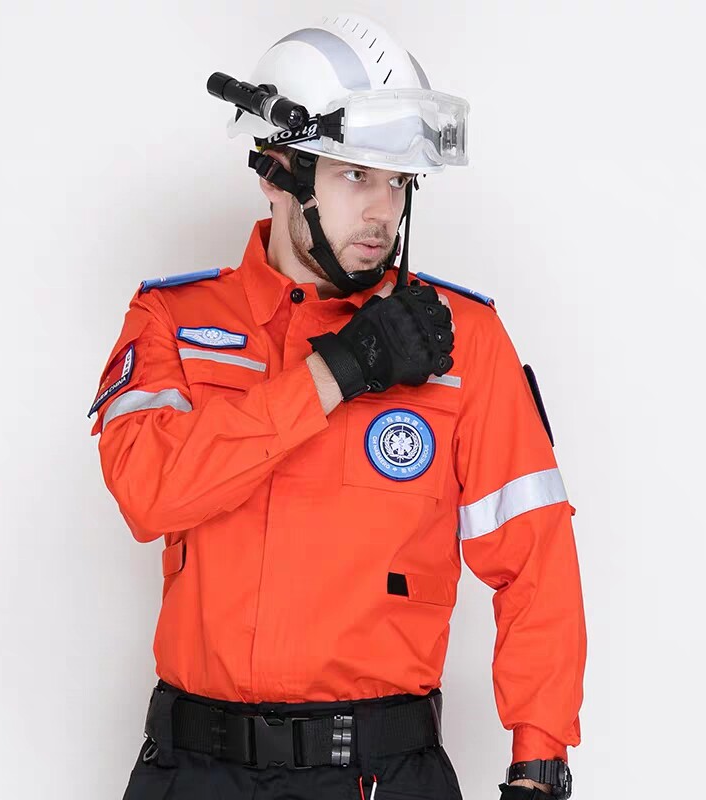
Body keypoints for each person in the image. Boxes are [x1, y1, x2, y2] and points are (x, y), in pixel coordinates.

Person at [88, 12, 586, 800]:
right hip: (193, 772)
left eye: (399, 181)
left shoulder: (463, 339)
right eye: (357, 175)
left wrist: (539, 762)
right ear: (277, 170)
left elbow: (536, 562)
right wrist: (339, 372)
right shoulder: (172, 323)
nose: (383, 209)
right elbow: (151, 494)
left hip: (382, 776)